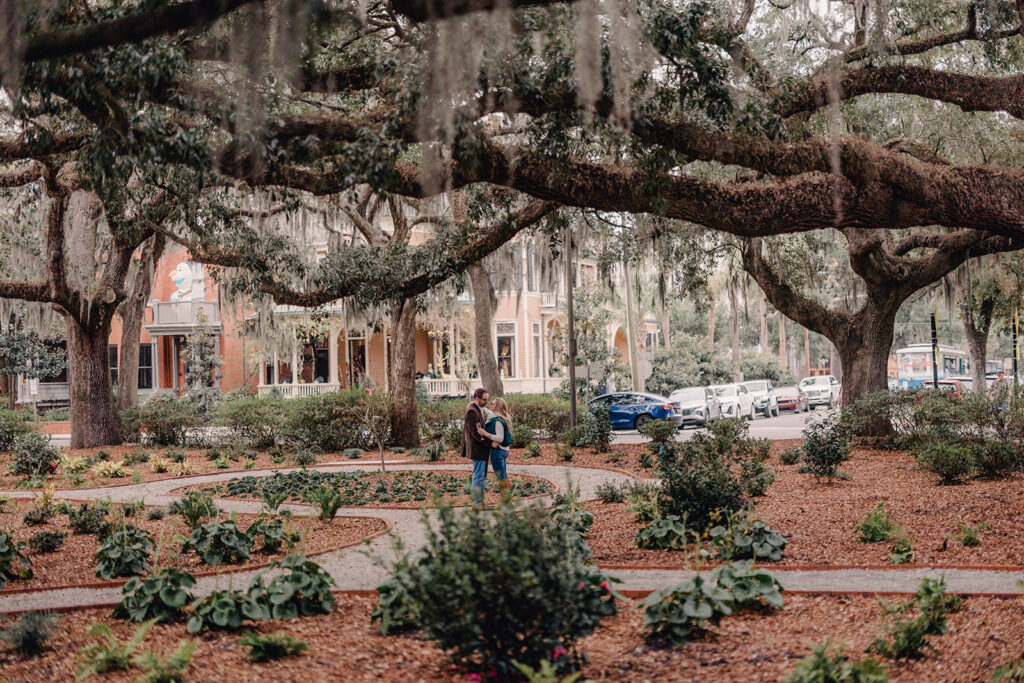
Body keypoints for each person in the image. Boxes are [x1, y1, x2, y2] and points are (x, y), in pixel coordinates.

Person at [461, 388, 492, 508]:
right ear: (477, 399)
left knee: (481, 475)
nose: (487, 402)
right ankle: (477, 503)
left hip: (481, 449)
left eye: (488, 399)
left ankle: (479, 502)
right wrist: (491, 442)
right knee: (478, 476)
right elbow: (476, 433)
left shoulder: (477, 408)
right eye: (484, 399)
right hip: (477, 449)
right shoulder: (472, 412)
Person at [477, 397, 512, 503]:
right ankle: (507, 500)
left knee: (501, 478)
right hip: (503, 451)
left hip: (498, 452)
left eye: (492, 404)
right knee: (504, 476)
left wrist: (485, 433)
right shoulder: (499, 417)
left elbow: (500, 438)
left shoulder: (497, 421)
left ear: (497, 407)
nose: (490, 405)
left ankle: (506, 502)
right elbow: (486, 410)